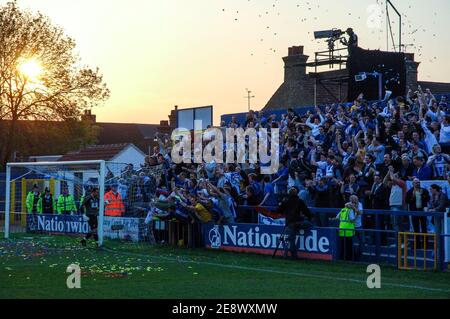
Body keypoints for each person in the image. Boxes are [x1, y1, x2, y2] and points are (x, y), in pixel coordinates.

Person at [278, 186, 313, 260]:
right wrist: (310, 218)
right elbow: (306, 211)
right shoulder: (299, 201)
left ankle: (293, 256)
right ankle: (293, 255)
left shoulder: (286, 201)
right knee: (309, 224)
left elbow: (279, 210)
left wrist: (282, 205)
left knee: (291, 240)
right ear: (296, 193)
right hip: (299, 222)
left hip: (290, 223)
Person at [405, 178, 430, 248]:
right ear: (413, 184)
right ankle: (418, 245)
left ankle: (425, 245)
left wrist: (423, 195)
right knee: (416, 229)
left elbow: (428, 198)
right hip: (414, 212)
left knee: (424, 228)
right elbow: (406, 201)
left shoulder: (424, 190)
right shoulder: (410, 192)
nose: (418, 184)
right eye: (416, 183)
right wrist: (412, 197)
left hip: (422, 212)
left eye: (418, 182)